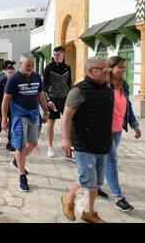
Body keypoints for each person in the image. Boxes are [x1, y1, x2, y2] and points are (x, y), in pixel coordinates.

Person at [61, 57, 113, 223]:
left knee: (96, 182)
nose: (107, 71)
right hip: (84, 145)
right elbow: (67, 116)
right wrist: (65, 139)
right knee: (88, 181)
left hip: (102, 144)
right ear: (90, 71)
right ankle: (68, 198)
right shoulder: (78, 91)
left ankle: (89, 212)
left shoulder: (107, 90)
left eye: (107, 69)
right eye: (103, 69)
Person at [96, 56, 141, 212]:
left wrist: (134, 125)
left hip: (117, 129)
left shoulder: (124, 85)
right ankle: (118, 196)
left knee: (102, 159)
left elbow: (127, 105)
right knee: (111, 160)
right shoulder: (103, 85)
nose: (123, 69)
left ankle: (93, 186)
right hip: (104, 129)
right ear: (111, 68)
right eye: (120, 67)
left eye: (124, 66)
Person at [1, 54, 49, 192]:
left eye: (32, 65)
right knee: (20, 146)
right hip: (19, 116)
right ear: (21, 64)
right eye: (27, 65)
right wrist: (4, 120)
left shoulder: (36, 77)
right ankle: (22, 176)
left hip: (34, 114)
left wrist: (45, 112)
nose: (30, 67)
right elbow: (5, 101)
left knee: (33, 143)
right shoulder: (14, 79)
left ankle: (17, 160)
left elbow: (40, 96)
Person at [43, 46, 72, 158]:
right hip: (53, 100)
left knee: (67, 123)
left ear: (63, 54)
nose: (55, 56)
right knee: (51, 123)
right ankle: (50, 147)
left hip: (65, 99)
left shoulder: (67, 67)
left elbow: (69, 83)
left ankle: (67, 147)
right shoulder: (48, 68)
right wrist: (48, 99)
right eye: (54, 55)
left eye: (58, 55)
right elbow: (44, 85)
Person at [0, 60, 16, 149]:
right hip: (3, 105)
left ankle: (10, 143)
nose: (10, 74)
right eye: (9, 72)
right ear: (6, 73)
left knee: (11, 123)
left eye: (12, 73)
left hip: (13, 106)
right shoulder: (2, 82)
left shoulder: (16, 81)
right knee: (3, 121)